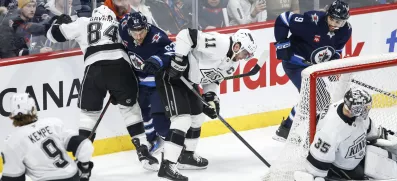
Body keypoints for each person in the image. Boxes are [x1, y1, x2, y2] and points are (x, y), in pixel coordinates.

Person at [46, 5, 159, 171]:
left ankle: (81, 160)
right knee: (130, 110)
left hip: (94, 68)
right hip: (121, 68)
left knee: (89, 114)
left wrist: (57, 23)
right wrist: (119, 87)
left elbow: (53, 36)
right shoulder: (120, 26)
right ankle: (143, 152)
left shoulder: (84, 22)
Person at [155, 28, 257, 180]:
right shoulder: (220, 44)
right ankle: (167, 165)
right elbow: (186, 35)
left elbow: (213, 80)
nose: (244, 57)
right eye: (245, 53)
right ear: (236, 46)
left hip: (189, 81)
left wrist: (211, 97)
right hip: (172, 77)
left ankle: (187, 156)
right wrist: (179, 59)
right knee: (182, 120)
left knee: (198, 117)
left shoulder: (232, 64)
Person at [273, 0, 352, 141]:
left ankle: (302, 129)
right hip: (295, 65)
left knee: (322, 99)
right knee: (312, 97)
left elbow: (336, 51)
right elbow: (283, 19)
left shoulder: (346, 30)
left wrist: (333, 67)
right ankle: (286, 130)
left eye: (339, 22)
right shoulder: (312, 21)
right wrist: (282, 44)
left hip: (313, 68)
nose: (334, 24)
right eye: (332, 19)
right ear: (327, 14)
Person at [295, 88, 397, 180]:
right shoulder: (330, 131)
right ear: (355, 109)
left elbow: (368, 130)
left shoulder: (350, 108)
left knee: (389, 164)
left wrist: (384, 136)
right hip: (343, 167)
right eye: (365, 107)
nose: (367, 109)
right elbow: (317, 166)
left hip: (358, 154)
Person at [0, 93, 94, 181]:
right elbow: (85, 146)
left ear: (12, 115)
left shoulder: (13, 141)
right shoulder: (53, 123)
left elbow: (12, 177)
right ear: (33, 109)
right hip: (72, 176)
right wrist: (84, 168)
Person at [119, 11, 173, 154]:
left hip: (156, 83)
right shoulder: (123, 28)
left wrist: (158, 60)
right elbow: (123, 18)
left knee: (159, 118)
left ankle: (175, 146)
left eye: (141, 32)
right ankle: (152, 140)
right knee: (143, 113)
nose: (138, 36)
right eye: (134, 33)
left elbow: (172, 51)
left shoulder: (157, 36)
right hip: (139, 83)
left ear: (146, 28)